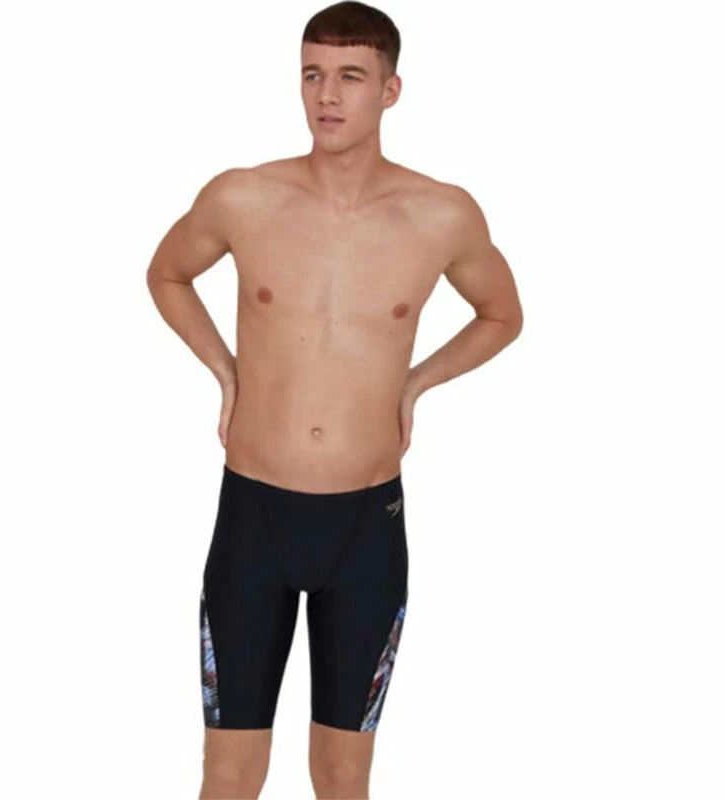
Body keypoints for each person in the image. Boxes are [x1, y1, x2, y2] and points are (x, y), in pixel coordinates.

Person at [146, 1, 523, 797]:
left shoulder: (441, 213)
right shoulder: (243, 196)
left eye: (350, 76)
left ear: (390, 90)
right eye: (312, 74)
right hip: (252, 516)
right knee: (229, 777)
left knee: (342, 777)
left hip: (366, 528)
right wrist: (224, 370)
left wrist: (416, 381)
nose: (327, 94)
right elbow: (167, 273)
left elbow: (502, 315)